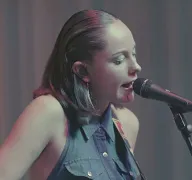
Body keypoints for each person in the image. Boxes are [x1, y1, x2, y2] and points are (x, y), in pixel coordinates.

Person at [0, 9, 145, 180]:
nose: (136, 67)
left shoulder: (127, 123)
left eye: (133, 54)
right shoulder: (48, 112)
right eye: (119, 60)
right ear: (82, 70)